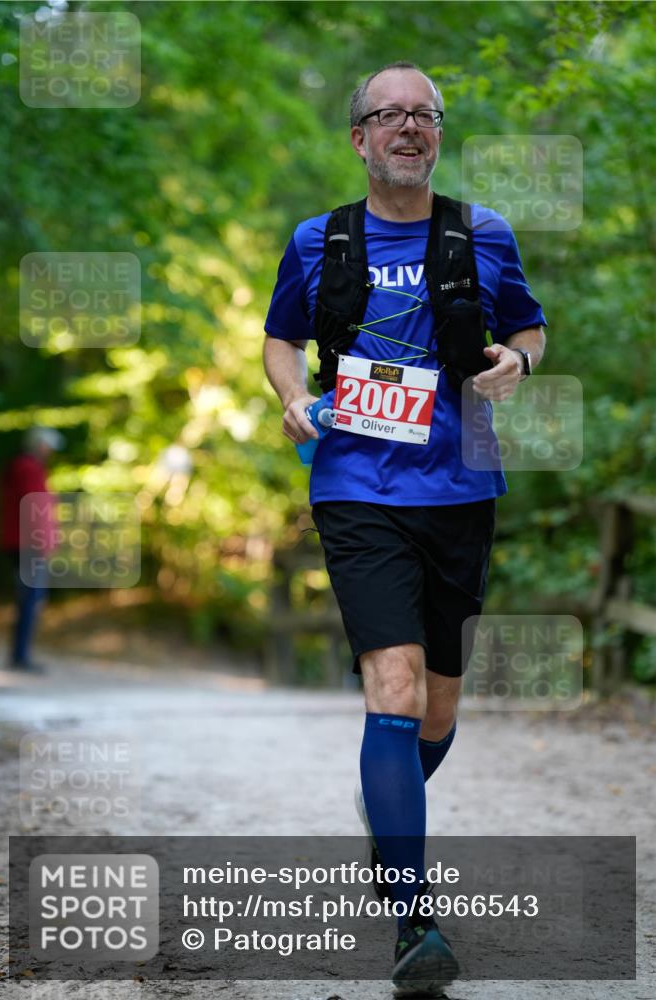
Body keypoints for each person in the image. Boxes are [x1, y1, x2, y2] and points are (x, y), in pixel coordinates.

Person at [263, 61, 546, 996]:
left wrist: (516, 359)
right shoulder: (319, 240)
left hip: (462, 484)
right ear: (359, 138)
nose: (408, 128)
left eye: (423, 115)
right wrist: (295, 394)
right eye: (388, 115)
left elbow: (529, 330)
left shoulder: (482, 233)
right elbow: (278, 338)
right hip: (356, 484)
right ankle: (413, 921)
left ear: (437, 134)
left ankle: (388, 808)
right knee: (391, 688)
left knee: (436, 710)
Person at [0, 426, 64, 673]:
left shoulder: (24, 466)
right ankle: (20, 656)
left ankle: (20, 654)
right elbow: (35, 508)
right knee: (31, 598)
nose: (50, 452)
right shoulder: (28, 468)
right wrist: (45, 542)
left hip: (22, 542)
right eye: (48, 447)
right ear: (40, 445)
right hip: (29, 545)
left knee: (29, 597)